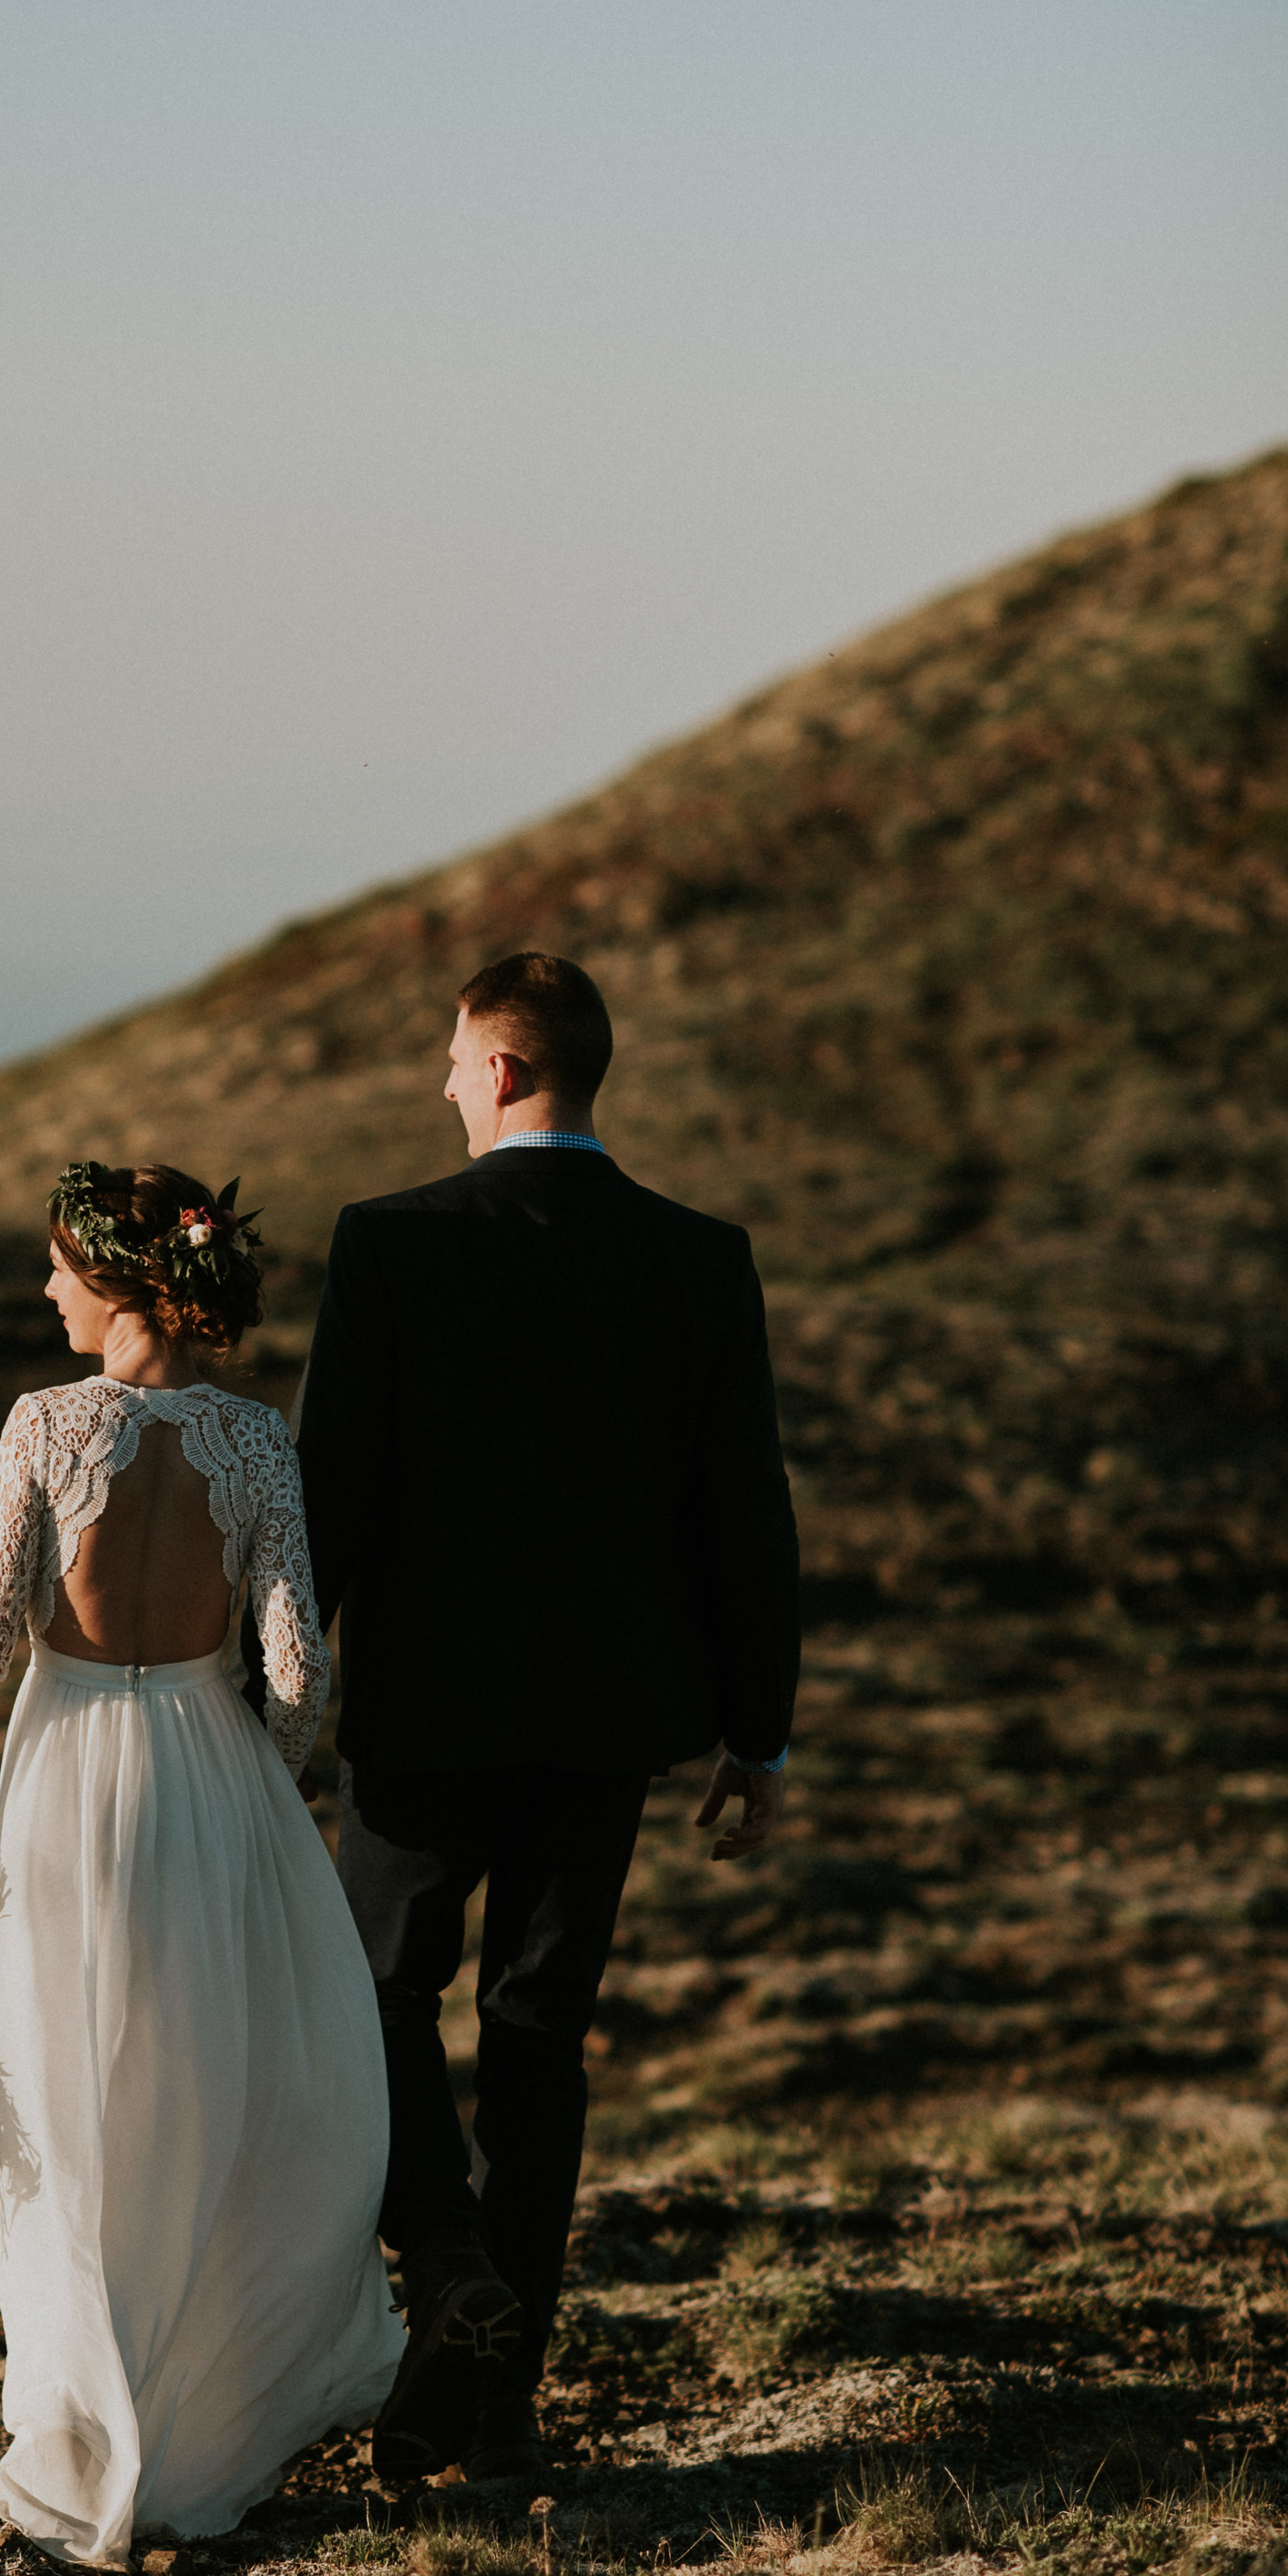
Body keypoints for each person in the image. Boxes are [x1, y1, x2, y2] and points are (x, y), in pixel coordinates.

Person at [293, 951, 800, 2497]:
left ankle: (445, 2260)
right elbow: (746, 1512)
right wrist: (756, 1731)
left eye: (454, 1060)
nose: (443, 1084)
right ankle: (499, 2403)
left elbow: (330, 1499)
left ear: (504, 1070)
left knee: (375, 1997)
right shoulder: (698, 1256)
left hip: (424, 1716)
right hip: (606, 1723)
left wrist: (271, 1689)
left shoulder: (388, 1245)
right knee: (537, 2039)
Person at [0, 1159, 403, 2570]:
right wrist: (256, 1790)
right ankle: (199, 2426)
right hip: (211, 1780)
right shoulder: (258, 1440)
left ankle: (84, 2435)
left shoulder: (45, 1424)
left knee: (70, 2108)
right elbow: (299, 1663)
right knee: (197, 2099)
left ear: (120, 1279)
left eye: (59, 1265)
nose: (45, 1288)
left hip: (69, 1784)